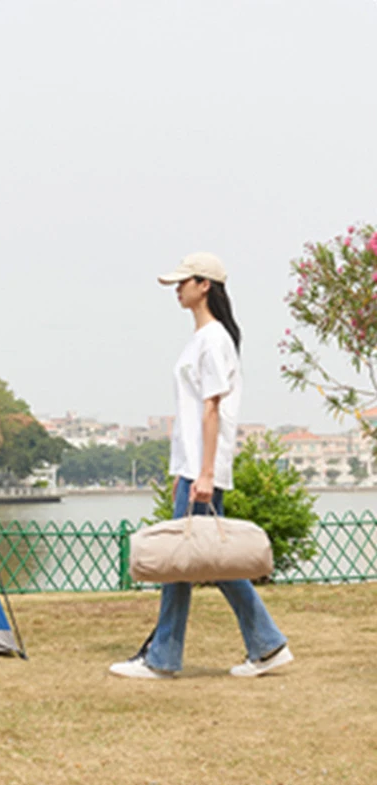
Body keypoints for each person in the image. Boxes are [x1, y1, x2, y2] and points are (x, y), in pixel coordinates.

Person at [109, 252, 293, 679]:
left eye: (183, 281)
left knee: (182, 561)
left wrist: (205, 473)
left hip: (202, 470)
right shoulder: (203, 339)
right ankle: (266, 646)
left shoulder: (213, 340)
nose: (177, 289)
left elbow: (213, 410)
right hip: (193, 467)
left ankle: (163, 659)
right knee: (208, 560)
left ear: (204, 285)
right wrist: (185, 469)